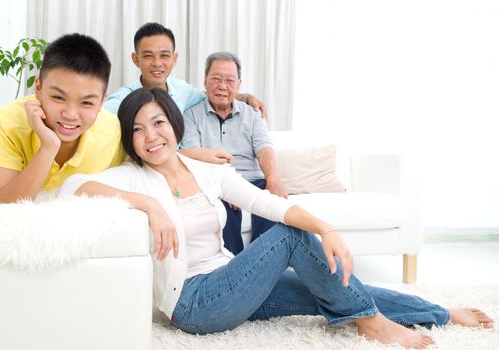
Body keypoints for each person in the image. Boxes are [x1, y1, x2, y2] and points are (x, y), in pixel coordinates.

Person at [59, 88, 494, 349]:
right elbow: (69, 188)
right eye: (137, 129)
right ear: (131, 141)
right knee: (289, 237)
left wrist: (327, 228)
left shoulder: (208, 171)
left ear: (174, 124)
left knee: (329, 288)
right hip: (192, 305)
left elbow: (271, 203)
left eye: (158, 123)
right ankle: (372, 323)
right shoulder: (132, 176)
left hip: (231, 282)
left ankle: (438, 312)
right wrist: (150, 204)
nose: (151, 136)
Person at [0, 33, 125, 203]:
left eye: (87, 102)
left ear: (102, 100)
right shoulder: (7, 121)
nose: (70, 115)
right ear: (38, 88)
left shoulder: (113, 131)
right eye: (59, 98)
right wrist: (48, 147)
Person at [180, 51, 287, 255]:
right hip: (217, 182)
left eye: (229, 80)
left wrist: (273, 178)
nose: (222, 86)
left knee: (272, 203)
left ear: (238, 84)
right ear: (205, 81)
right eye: (216, 79)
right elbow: (193, 154)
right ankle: (234, 271)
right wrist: (225, 184)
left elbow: (264, 146)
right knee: (219, 209)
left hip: (253, 181)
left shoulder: (252, 114)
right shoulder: (191, 116)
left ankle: (261, 265)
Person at [104, 22, 267, 117]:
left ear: (174, 59)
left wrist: (246, 97)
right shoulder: (123, 99)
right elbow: (98, 116)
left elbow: (209, 95)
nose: (157, 63)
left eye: (164, 56)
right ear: (135, 59)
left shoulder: (182, 90)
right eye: (148, 56)